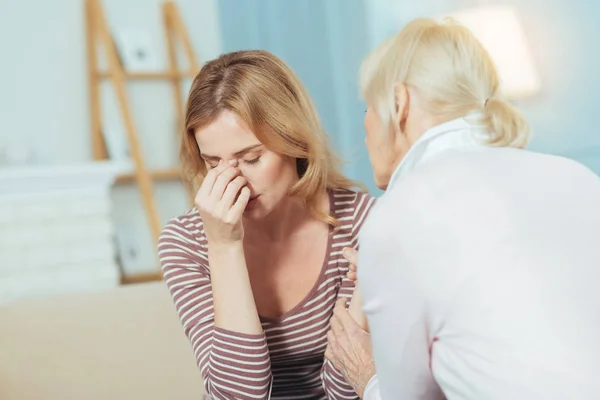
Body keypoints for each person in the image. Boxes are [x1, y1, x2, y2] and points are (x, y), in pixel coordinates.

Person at [326, 17, 600, 399]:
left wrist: (366, 375)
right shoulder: (579, 177)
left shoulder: (399, 215)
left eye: (367, 109)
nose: (365, 126)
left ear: (398, 103)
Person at [157, 49, 376, 399]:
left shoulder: (363, 223)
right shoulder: (187, 242)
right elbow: (237, 396)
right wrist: (224, 246)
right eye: (214, 163)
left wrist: (370, 285)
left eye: (252, 158)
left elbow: (349, 391)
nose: (233, 180)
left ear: (295, 142)